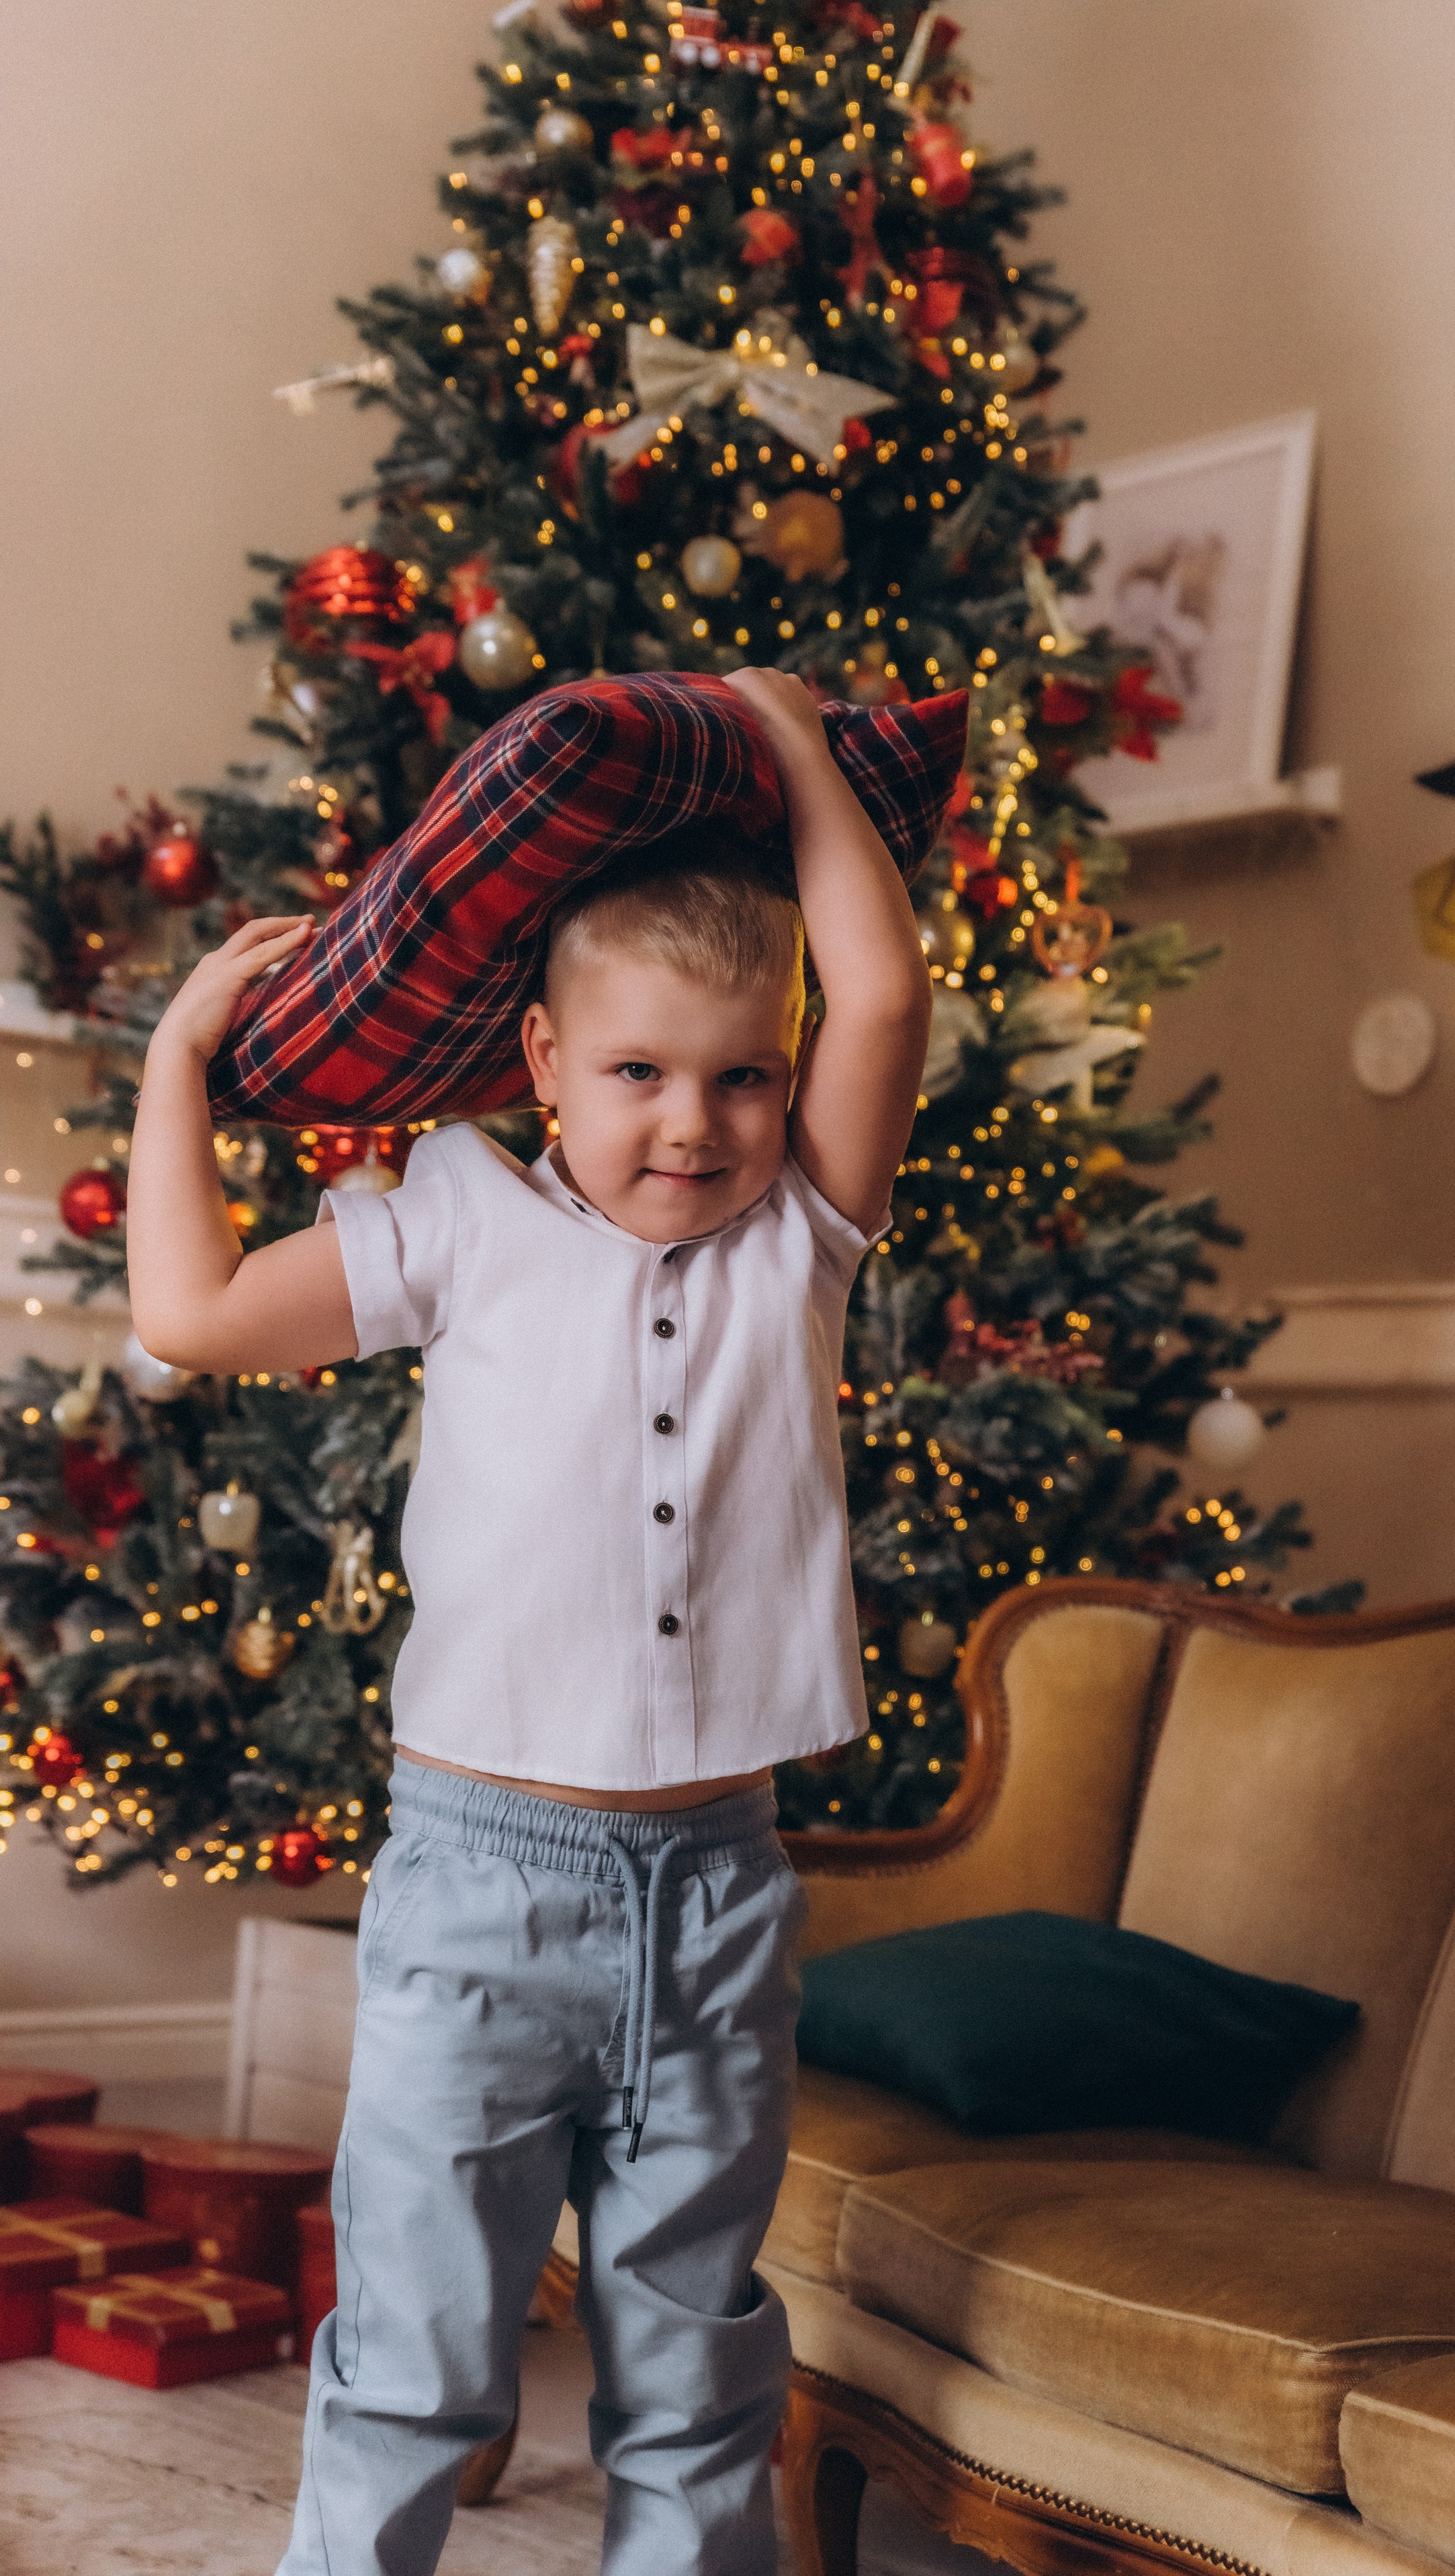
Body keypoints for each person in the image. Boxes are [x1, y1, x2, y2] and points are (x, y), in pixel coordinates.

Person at [126, 668, 933, 2576]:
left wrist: (791, 745)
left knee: (696, 2363)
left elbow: (886, 994)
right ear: (547, 1063)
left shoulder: (803, 1238)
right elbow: (192, 1312)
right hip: (481, 1890)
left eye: (745, 1074)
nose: (697, 1123)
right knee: (416, 2354)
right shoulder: (457, 1225)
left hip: (719, 1895)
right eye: (640, 1072)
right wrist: (175, 1066)